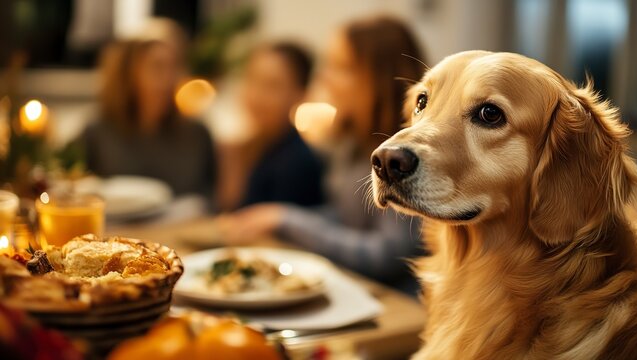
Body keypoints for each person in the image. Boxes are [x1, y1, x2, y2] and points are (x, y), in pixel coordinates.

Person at [224, 17, 427, 293]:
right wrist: (281, 218)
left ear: (379, 78)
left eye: (341, 67)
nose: (324, 78)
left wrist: (287, 219)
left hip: (400, 305)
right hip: (357, 288)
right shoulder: (353, 144)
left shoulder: (403, 156)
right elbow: (346, 218)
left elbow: (386, 256)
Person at [81, 38, 215, 198]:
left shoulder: (196, 133)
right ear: (129, 73)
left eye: (174, 67)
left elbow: (209, 197)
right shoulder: (98, 131)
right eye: (157, 67)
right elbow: (78, 188)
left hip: (184, 220)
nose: (168, 79)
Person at [214, 42, 324, 210]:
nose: (257, 95)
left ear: (300, 94)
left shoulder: (297, 163)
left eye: (272, 86)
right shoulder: (252, 147)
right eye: (252, 80)